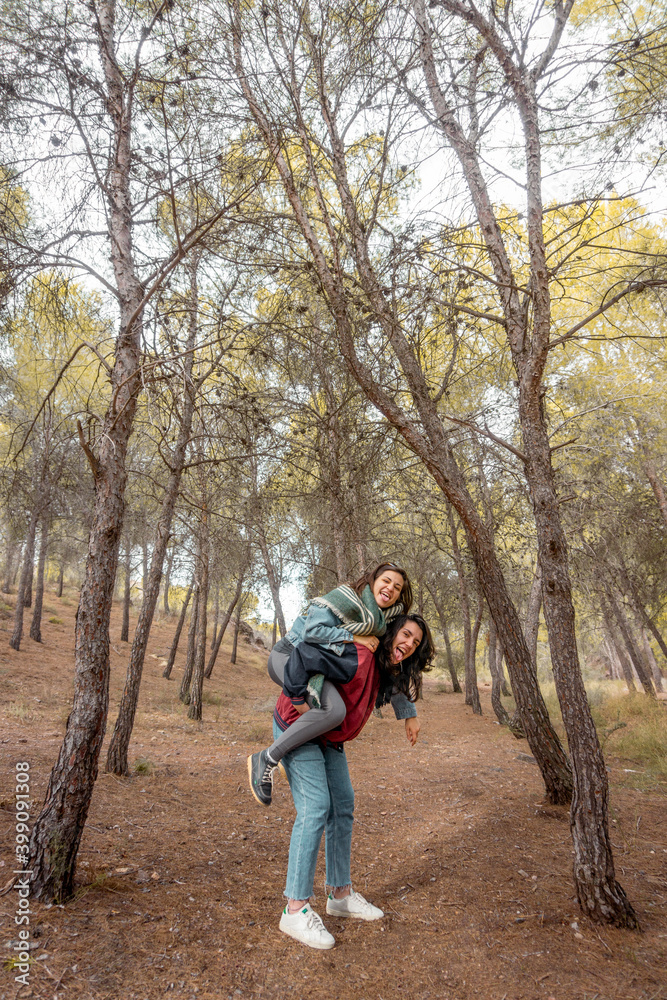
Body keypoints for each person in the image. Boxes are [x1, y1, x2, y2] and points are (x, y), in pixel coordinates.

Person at [270, 613, 434, 949]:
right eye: (405, 635)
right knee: (316, 807)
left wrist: (409, 714)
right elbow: (303, 653)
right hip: (296, 727)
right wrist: (300, 700)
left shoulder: (385, 664)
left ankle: (340, 894)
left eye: (415, 642)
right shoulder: (357, 652)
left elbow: (395, 683)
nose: (407, 644)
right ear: (390, 633)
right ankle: (295, 909)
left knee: (342, 805)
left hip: (330, 738)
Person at [247, 563, 413, 806]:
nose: (391, 588)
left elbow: (388, 665)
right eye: (386, 581)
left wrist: (409, 712)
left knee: (332, 713)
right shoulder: (346, 599)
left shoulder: (381, 621)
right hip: (288, 656)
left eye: (397, 587)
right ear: (372, 581)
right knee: (334, 710)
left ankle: (286, 756)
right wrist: (355, 637)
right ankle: (267, 758)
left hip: (314, 666)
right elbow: (312, 632)